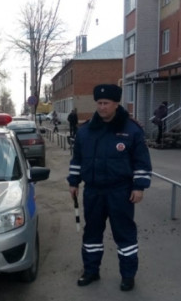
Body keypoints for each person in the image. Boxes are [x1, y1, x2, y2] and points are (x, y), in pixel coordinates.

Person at [67, 84, 152, 292]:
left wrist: (139, 187)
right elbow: (77, 158)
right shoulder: (86, 131)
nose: (102, 107)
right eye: (99, 103)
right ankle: (91, 271)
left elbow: (141, 162)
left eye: (106, 103)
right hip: (93, 191)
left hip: (120, 192)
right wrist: (73, 181)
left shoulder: (131, 130)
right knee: (92, 233)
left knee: (124, 234)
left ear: (116, 104)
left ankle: (128, 276)